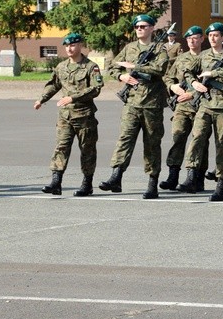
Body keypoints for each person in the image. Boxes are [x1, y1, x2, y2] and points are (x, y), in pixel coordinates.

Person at [99, 14, 169, 198]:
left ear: (152, 28)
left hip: (152, 104)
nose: (139, 29)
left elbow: (160, 69)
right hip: (131, 102)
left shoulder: (160, 49)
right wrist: (122, 76)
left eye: (144, 26)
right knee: (125, 139)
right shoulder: (129, 48)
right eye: (137, 26)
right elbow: (113, 66)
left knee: (152, 144)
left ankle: (152, 182)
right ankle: (116, 176)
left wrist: (135, 66)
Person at [178, 22, 223, 201]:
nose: (213, 38)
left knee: (222, 145)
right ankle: (191, 177)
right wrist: (194, 84)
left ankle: (221, 185)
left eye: (217, 35)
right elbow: (187, 71)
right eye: (211, 35)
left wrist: (213, 74)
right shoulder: (203, 56)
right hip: (205, 104)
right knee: (196, 138)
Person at [35, 32, 103, 197]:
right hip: (65, 116)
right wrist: (41, 99)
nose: (69, 48)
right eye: (66, 46)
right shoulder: (61, 66)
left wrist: (72, 97)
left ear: (80, 45)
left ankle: (87, 184)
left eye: (72, 45)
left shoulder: (90, 67)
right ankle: (56, 182)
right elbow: (54, 85)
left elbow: (95, 89)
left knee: (87, 149)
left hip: (84, 116)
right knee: (61, 147)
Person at [159, 25, 208, 191]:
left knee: (200, 141)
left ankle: (196, 178)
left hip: (202, 106)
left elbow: (210, 84)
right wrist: (173, 88)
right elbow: (168, 77)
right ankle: (173, 176)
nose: (192, 41)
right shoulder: (181, 59)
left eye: (195, 38)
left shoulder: (208, 58)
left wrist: (192, 93)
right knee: (178, 138)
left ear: (202, 38)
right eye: (189, 38)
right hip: (182, 106)